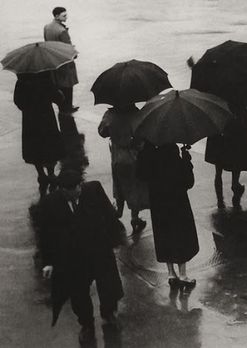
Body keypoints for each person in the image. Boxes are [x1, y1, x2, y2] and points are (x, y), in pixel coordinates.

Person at [39, 170, 125, 344]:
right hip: (74, 257)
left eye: (79, 185)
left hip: (99, 250)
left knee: (108, 285)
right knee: (79, 293)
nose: (78, 189)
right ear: (63, 190)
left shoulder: (93, 189)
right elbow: (47, 235)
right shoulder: (51, 203)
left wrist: (116, 237)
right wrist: (48, 263)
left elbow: (109, 215)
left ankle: (109, 314)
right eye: (72, 188)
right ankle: (86, 324)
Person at [137, 142, 199, 288]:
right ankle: (183, 274)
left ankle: (171, 273)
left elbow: (140, 174)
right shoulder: (171, 150)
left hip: (158, 201)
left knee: (163, 233)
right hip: (177, 202)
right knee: (180, 234)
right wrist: (186, 158)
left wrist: (141, 154)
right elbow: (188, 182)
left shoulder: (148, 150)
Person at [204, 86, 247, 209]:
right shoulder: (244, 77)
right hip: (238, 120)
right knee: (237, 154)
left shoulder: (215, 74)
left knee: (218, 161)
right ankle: (235, 184)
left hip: (219, 118)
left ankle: (220, 198)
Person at [98, 103, 149, 234]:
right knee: (134, 187)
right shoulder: (136, 113)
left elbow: (102, 132)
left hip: (117, 157)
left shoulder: (110, 115)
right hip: (133, 157)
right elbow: (143, 134)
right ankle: (134, 217)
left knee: (119, 185)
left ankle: (118, 212)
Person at [13, 72, 65, 194]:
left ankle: (41, 174)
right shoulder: (44, 78)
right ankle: (51, 173)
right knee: (49, 145)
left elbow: (18, 101)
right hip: (46, 118)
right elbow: (58, 98)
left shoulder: (21, 81)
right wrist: (59, 94)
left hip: (30, 120)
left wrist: (28, 107)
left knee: (34, 147)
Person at [44, 6, 79, 112]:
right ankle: (68, 107)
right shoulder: (62, 30)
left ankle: (61, 105)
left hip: (53, 60)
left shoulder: (47, 27)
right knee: (68, 84)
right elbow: (68, 48)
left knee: (58, 83)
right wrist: (75, 54)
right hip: (65, 61)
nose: (66, 17)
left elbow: (46, 42)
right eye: (64, 15)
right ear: (56, 16)